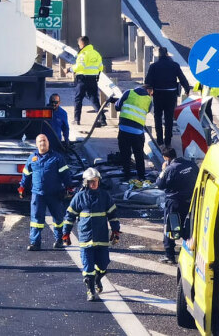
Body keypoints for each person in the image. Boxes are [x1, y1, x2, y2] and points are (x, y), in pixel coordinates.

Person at [62, 167, 120, 302]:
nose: (93, 184)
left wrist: (115, 231)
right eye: (91, 182)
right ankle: (91, 291)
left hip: (101, 238)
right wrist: (66, 233)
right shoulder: (79, 197)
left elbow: (113, 215)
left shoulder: (105, 196)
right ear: (85, 183)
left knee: (104, 264)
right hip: (85, 238)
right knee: (88, 268)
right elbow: (70, 216)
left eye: (95, 181)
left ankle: (98, 279)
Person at [19, 134, 73, 251]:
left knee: (58, 218)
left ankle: (59, 240)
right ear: (36, 144)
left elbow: (65, 175)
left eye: (44, 140)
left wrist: (69, 187)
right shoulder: (32, 158)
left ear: (48, 142)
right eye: (40, 141)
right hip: (37, 195)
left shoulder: (57, 158)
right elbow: (26, 174)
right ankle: (35, 243)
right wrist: (22, 187)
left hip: (55, 194)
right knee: (36, 220)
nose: (42, 143)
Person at [155, 147, 198, 264]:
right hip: (190, 201)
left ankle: (170, 255)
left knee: (170, 226)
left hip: (174, 202)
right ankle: (192, 251)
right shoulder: (191, 164)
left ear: (166, 157)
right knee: (189, 224)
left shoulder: (169, 169)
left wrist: (163, 170)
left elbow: (160, 184)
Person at [144, 47, 191, 146]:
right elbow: (182, 78)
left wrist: (150, 90)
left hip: (158, 94)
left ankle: (160, 140)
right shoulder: (174, 65)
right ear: (167, 54)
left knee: (158, 117)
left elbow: (147, 82)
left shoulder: (154, 66)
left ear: (158, 55)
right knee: (169, 117)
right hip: (171, 94)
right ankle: (168, 140)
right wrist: (187, 89)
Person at [116, 84, 154, 184]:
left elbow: (117, 107)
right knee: (139, 154)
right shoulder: (149, 100)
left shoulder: (128, 92)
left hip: (124, 129)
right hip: (138, 131)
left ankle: (127, 175)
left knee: (125, 153)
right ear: (148, 90)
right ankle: (141, 176)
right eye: (151, 92)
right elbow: (147, 110)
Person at [70, 36, 103, 126]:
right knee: (94, 99)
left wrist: (70, 69)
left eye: (79, 44)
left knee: (78, 99)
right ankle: (102, 119)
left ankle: (77, 120)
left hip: (82, 80)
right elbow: (101, 67)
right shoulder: (96, 53)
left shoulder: (83, 54)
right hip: (93, 80)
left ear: (82, 44)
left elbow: (80, 66)